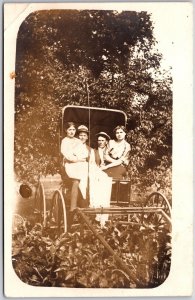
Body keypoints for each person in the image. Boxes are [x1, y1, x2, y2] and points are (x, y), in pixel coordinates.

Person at [60, 122, 89, 215]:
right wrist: (77, 158)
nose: (72, 132)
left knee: (87, 178)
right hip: (70, 166)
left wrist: (76, 156)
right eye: (70, 130)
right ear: (66, 130)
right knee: (76, 180)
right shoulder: (64, 141)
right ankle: (73, 207)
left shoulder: (78, 141)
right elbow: (68, 156)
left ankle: (86, 203)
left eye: (73, 130)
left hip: (80, 164)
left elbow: (85, 154)